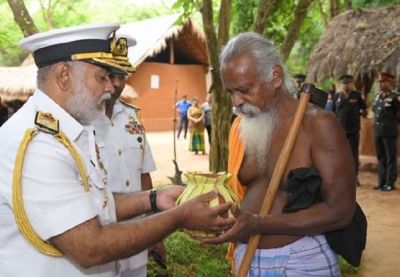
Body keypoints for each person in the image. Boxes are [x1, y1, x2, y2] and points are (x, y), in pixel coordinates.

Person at [0, 23, 235, 277]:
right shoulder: (40, 143)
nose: (109, 87)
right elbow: (90, 246)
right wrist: (179, 217)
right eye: (101, 77)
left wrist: (153, 198)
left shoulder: (72, 129)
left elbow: (93, 203)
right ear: (64, 75)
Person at [200, 32, 355, 277]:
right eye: (230, 92)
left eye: (244, 90)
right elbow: (240, 191)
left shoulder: (318, 125)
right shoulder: (242, 127)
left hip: (302, 261)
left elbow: (341, 211)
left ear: (275, 76)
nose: (237, 102)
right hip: (246, 258)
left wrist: (259, 224)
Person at [91, 34, 165, 277]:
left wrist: (154, 232)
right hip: (99, 235)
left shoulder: (133, 118)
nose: (116, 83)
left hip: (135, 234)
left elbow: (144, 176)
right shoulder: (82, 121)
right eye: (109, 75)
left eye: (121, 76)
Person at [332, 74, 368, 186]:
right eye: (343, 83)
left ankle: (354, 177)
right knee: (339, 154)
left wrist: (357, 115)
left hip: (353, 129)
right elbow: (332, 113)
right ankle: (340, 177)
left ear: (351, 84)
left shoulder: (357, 96)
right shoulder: (336, 96)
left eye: (348, 83)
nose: (345, 85)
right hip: (340, 130)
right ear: (340, 84)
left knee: (353, 154)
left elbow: (365, 111)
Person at [372, 72, 400, 191]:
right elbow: (375, 113)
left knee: (390, 158)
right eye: (380, 82)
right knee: (381, 158)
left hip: (389, 131)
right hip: (378, 132)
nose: (381, 84)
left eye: (383, 82)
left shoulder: (395, 97)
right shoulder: (378, 97)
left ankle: (390, 182)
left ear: (390, 83)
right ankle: (381, 181)